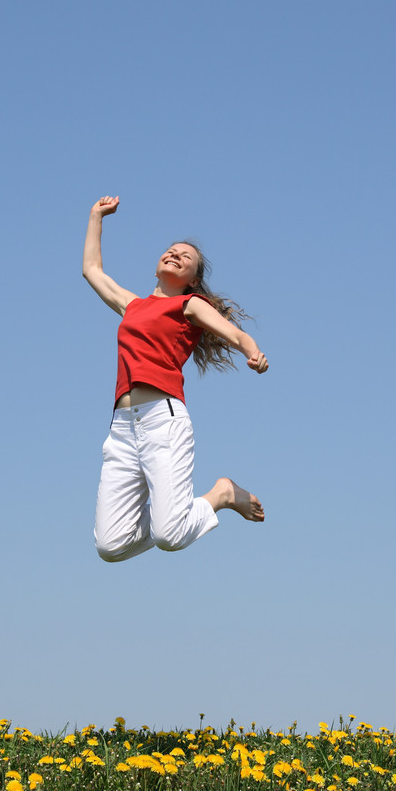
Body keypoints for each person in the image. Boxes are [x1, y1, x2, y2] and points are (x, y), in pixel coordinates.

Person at [83, 195, 268, 562]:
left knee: (170, 535)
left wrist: (252, 349)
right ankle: (175, 512)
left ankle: (221, 495)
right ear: (156, 267)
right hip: (121, 428)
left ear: (192, 279)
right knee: (110, 545)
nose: (176, 254)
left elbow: (233, 333)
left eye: (186, 257)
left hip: (162, 421)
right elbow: (92, 270)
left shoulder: (187, 306)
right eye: (171, 250)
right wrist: (96, 216)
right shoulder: (131, 305)